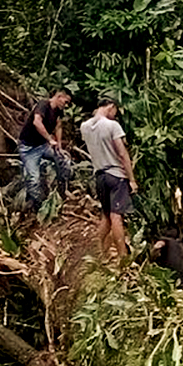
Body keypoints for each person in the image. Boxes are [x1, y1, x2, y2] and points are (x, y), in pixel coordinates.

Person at [81, 97, 137, 258]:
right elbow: (121, 153)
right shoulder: (112, 125)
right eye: (115, 111)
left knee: (105, 215)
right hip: (116, 175)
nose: (115, 115)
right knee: (116, 215)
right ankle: (122, 257)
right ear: (111, 107)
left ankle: (98, 252)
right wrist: (131, 179)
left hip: (99, 175)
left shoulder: (85, 127)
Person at [17, 89, 73, 210]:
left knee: (64, 160)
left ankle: (62, 191)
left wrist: (58, 144)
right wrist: (49, 139)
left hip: (43, 145)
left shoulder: (58, 111)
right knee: (34, 179)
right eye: (66, 101)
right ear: (59, 96)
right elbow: (37, 122)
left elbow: (58, 126)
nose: (66, 105)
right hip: (29, 148)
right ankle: (38, 206)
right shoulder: (43, 105)